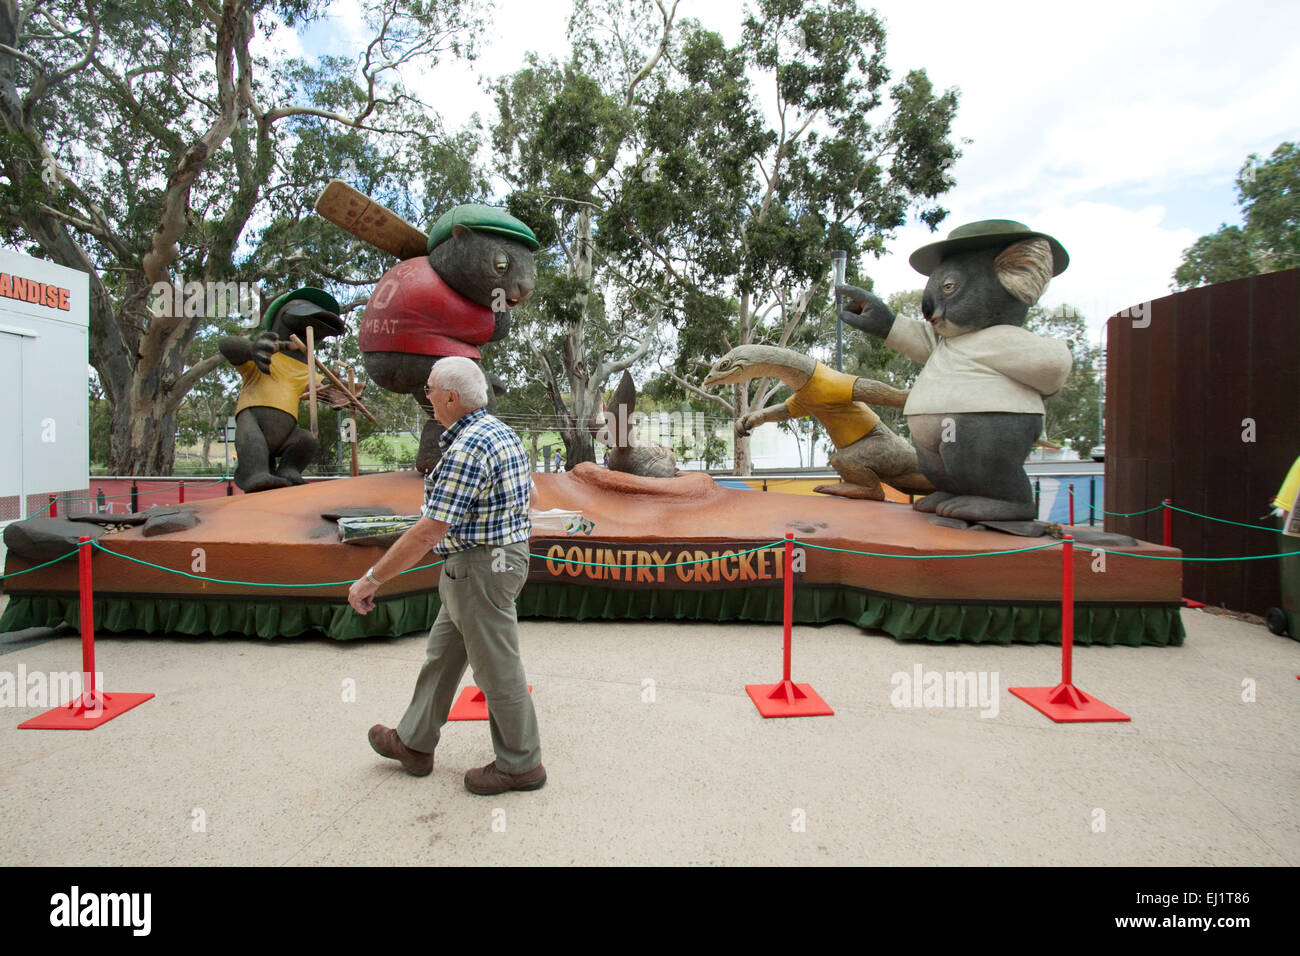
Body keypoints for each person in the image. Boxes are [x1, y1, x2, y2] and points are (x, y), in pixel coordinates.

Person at [347, 357, 544, 795]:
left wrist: (371, 579)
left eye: (431, 389)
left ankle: (521, 764)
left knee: (497, 669)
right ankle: (414, 743)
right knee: (442, 658)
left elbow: (430, 530)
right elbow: (529, 495)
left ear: (452, 398)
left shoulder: (467, 448)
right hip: (488, 564)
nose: (427, 396)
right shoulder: (500, 432)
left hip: (478, 569)